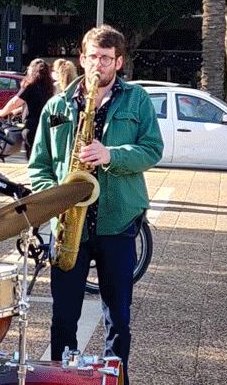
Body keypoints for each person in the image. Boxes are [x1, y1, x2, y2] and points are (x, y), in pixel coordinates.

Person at [27, 25, 163, 381]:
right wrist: (56, 196)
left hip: (117, 223)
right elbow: (39, 165)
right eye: (91, 57)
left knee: (118, 316)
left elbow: (152, 150)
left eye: (105, 58)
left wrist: (110, 154)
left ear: (118, 62)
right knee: (62, 318)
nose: (97, 65)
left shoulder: (137, 100)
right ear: (82, 58)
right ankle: (63, 379)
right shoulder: (57, 106)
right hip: (70, 226)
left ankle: (116, 379)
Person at [0, 58, 57, 153]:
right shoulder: (50, 87)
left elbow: (15, 102)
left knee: (32, 156)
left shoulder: (30, 85)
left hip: (32, 127)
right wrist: (19, 110)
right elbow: (39, 103)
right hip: (46, 126)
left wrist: (2, 112)